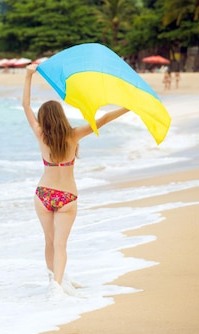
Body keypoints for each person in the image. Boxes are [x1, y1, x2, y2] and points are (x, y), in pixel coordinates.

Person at [23, 64, 130, 295]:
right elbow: (104, 119)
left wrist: (28, 75)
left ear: (44, 119)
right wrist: (129, 106)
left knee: (49, 242)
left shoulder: (40, 133)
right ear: (61, 117)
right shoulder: (74, 134)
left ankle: (54, 280)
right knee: (60, 244)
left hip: (43, 195)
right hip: (67, 197)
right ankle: (57, 285)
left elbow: (25, 106)